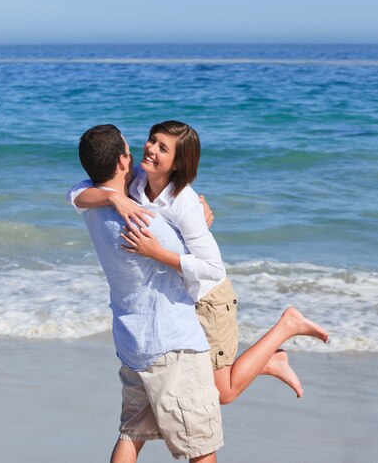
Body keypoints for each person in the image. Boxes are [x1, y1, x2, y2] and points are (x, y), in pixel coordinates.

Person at [72, 121, 330, 405]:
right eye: (152, 140)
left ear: (177, 163)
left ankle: (287, 327)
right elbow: (77, 194)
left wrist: (157, 252)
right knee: (203, 383)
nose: (150, 149)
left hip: (210, 297)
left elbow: (213, 268)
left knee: (224, 393)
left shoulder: (184, 203)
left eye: (162, 148)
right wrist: (114, 198)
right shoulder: (137, 179)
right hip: (186, 298)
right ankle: (268, 363)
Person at [68, 124, 223, 463]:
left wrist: (111, 194)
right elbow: (208, 265)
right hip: (173, 346)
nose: (145, 150)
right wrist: (199, 217)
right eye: (133, 148)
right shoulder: (147, 223)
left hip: (132, 343)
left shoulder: (92, 207)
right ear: (124, 161)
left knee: (131, 434)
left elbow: (75, 193)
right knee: (200, 448)